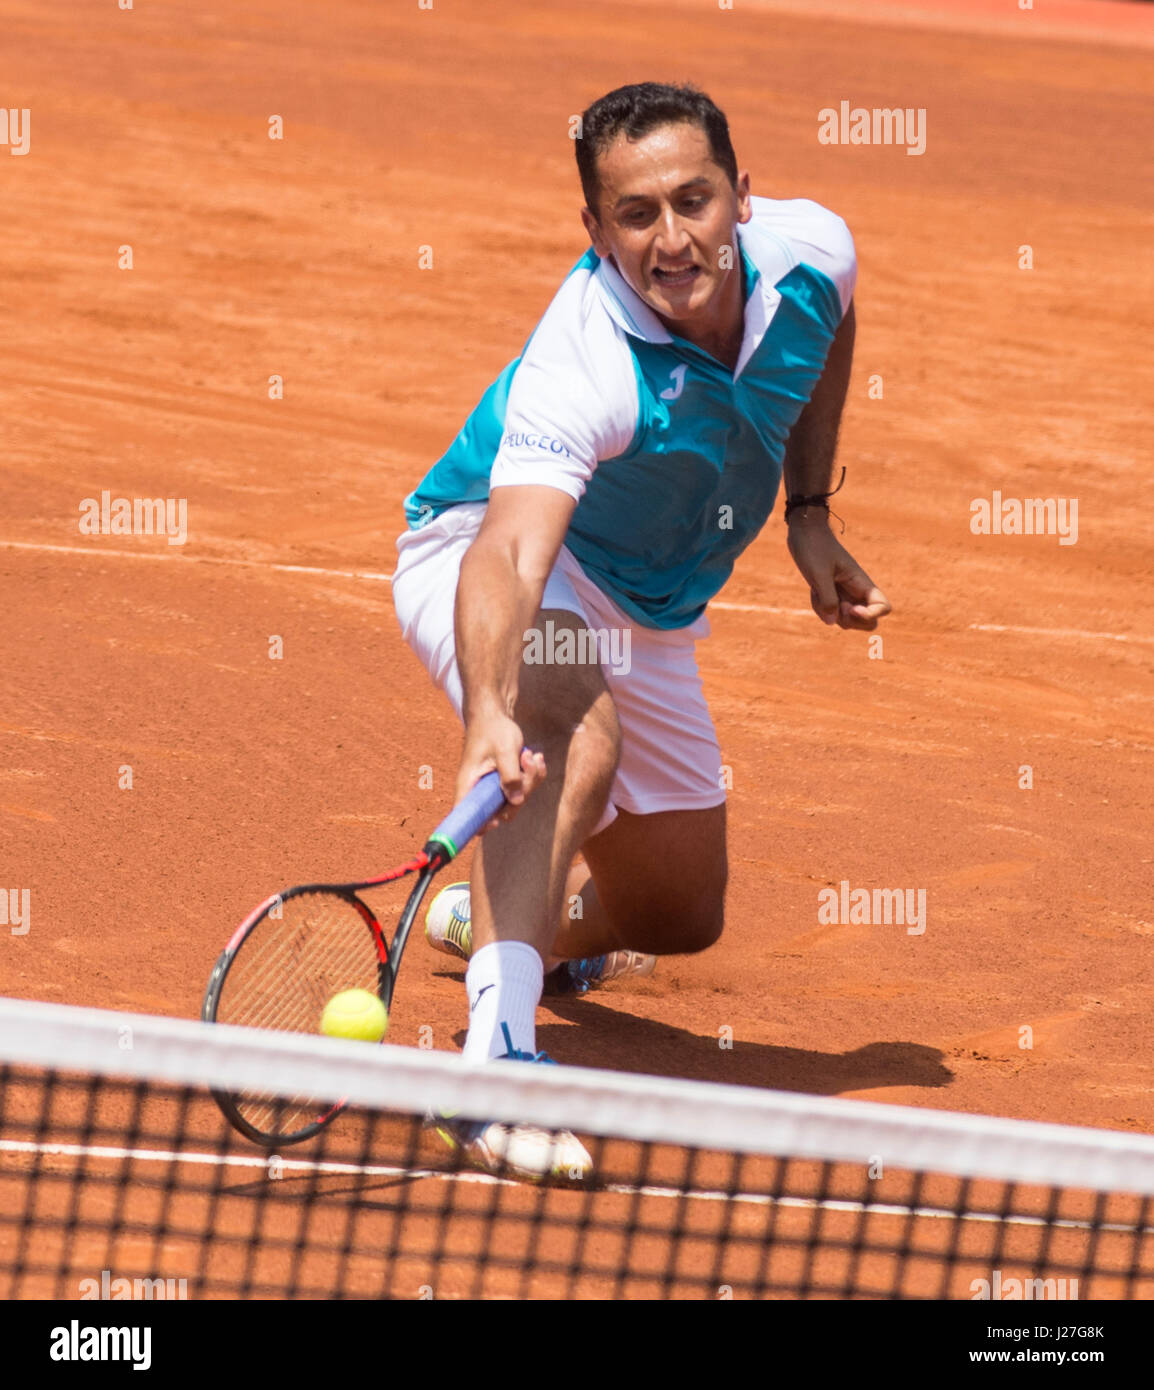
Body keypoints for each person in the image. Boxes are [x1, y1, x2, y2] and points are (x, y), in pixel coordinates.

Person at [392, 81, 891, 1179]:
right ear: (594, 230)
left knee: (674, 914)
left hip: (652, 601)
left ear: (741, 198)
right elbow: (510, 554)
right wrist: (488, 712)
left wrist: (806, 515)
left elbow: (832, 326)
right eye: (634, 214)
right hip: (491, 552)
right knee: (570, 720)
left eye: (693, 200)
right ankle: (493, 1068)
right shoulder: (589, 358)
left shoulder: (814, 256)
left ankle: (506, 927)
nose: (671, 239)